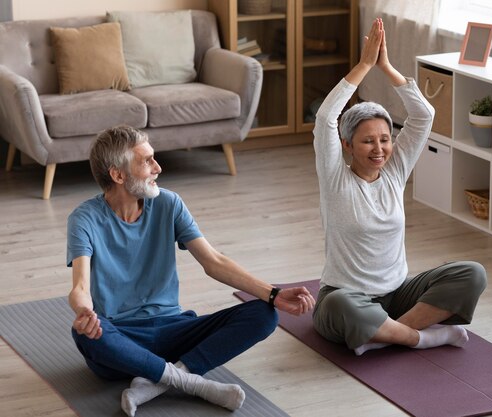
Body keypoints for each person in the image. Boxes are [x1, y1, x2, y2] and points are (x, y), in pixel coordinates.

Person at [67, 125, 315, 416]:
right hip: (122, 337)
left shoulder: (168, 204)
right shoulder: (84, 219)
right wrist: (85, 313)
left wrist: (273, 294)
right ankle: (194, 383)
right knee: (84, 334)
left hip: (174, 329)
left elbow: (213, 261)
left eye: (153, 158)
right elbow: (80, 288)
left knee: (263, 314)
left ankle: (164, 380)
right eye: (146, 161)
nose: (157, 167)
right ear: (118, 175)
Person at [312, 18, 487, 357]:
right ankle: (420, 337)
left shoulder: (394, 172)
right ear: (346, 145)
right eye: (367, 141)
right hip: (348, 297)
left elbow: (423, 115)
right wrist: (364, 66)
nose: (379, 149)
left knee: (472, 274)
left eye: (385, 139)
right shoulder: (336, 179)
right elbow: (325, 118)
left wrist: (387, 67)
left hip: (398, 295)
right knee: (339, 306)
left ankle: (383, 334)